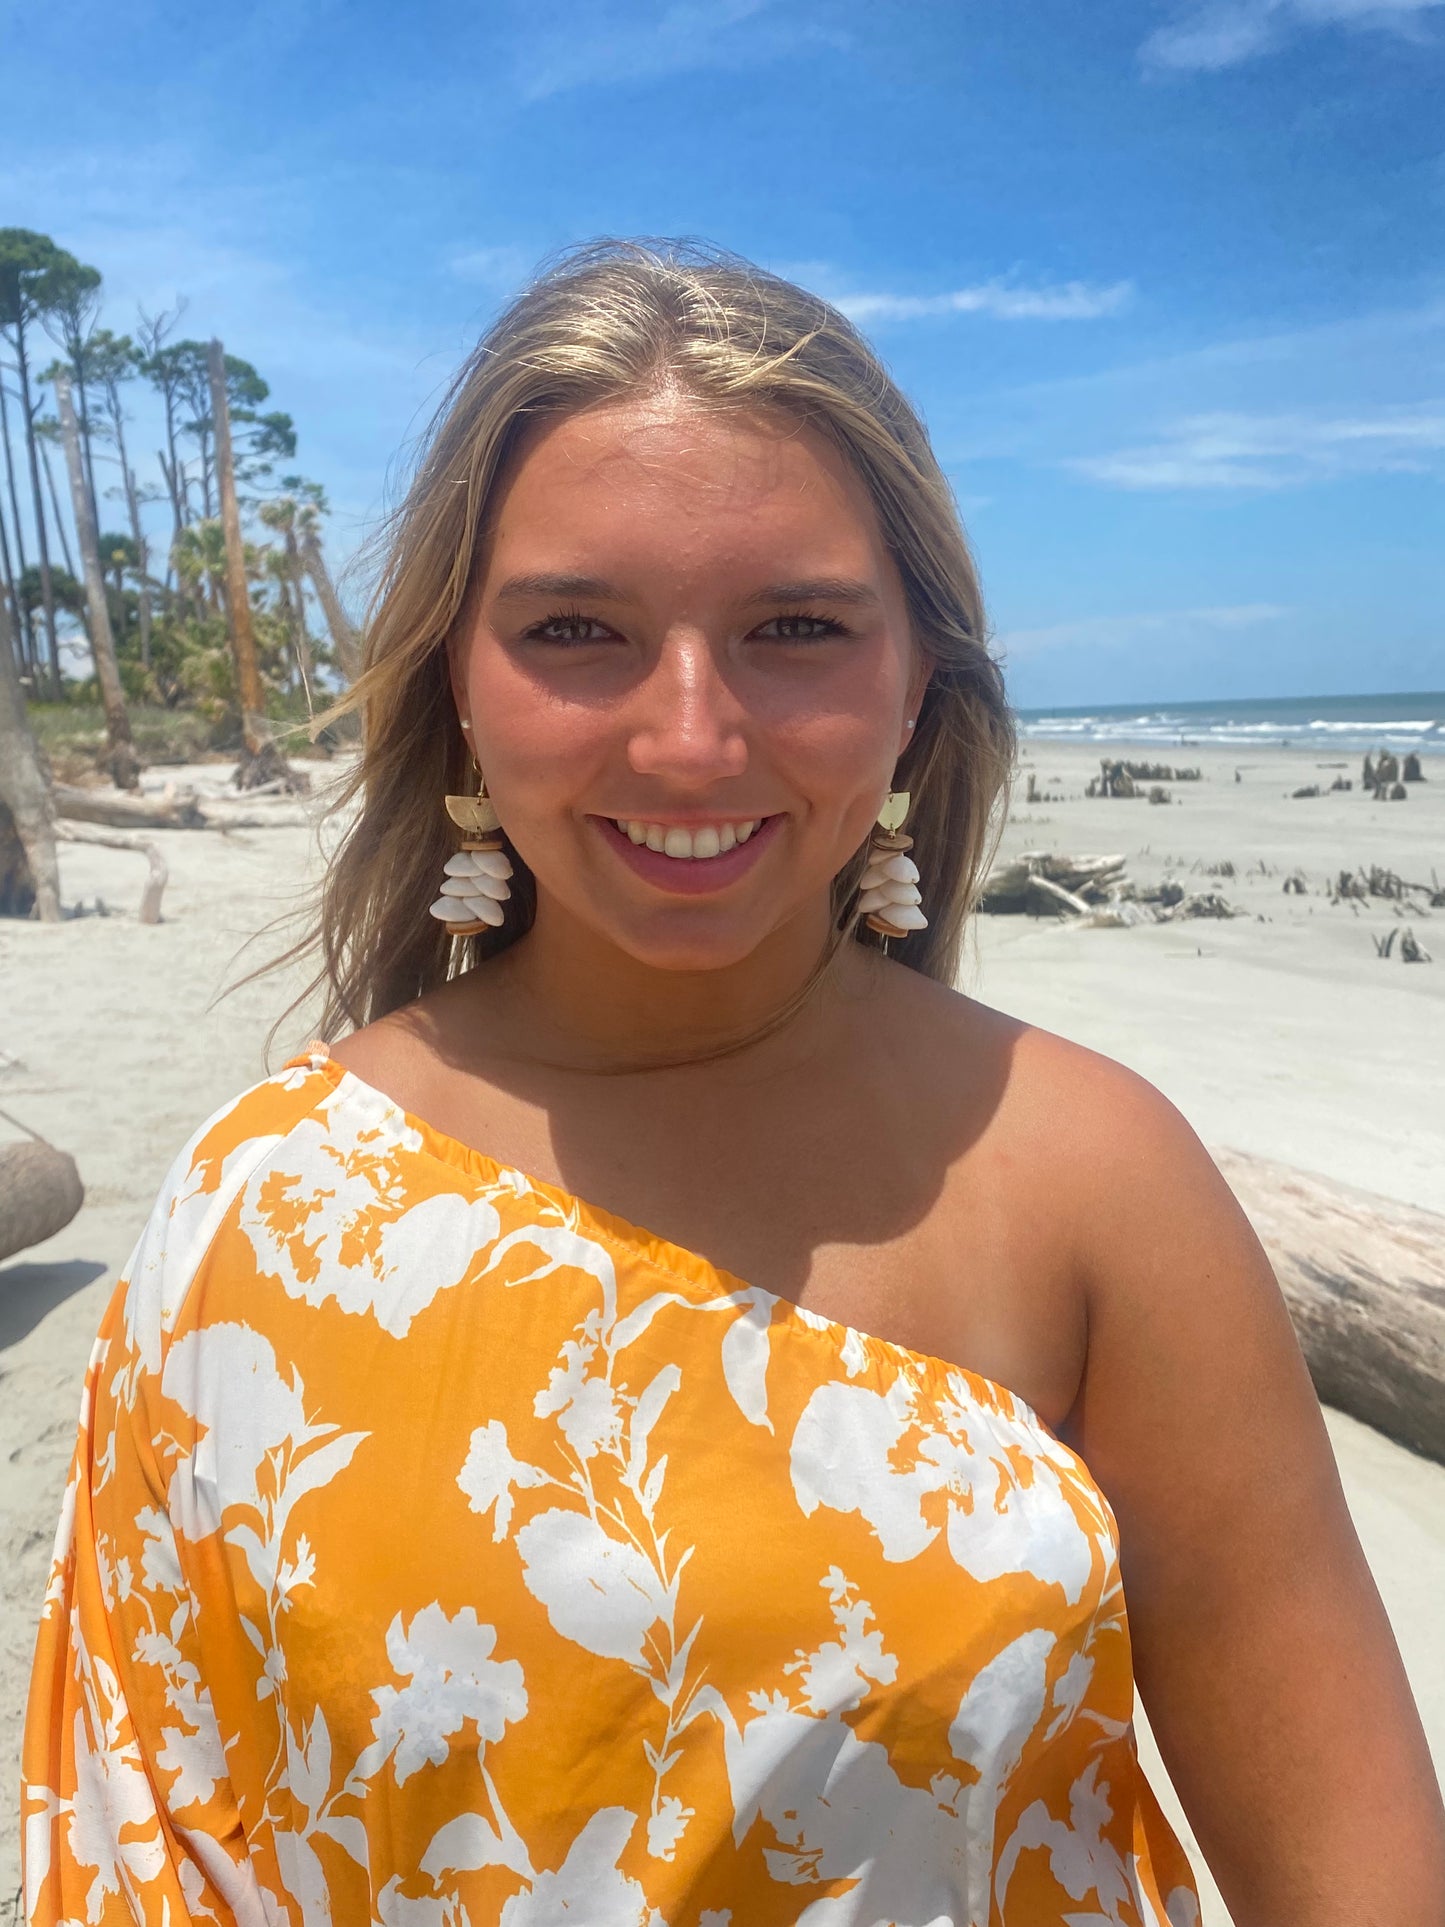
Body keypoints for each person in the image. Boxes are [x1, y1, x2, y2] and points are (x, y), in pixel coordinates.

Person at [22, 241, 1444, 1927]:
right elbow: (144, 1836)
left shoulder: (1089, 1181)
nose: (689, 740)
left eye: (794, 629)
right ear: (459, 688)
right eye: (575, 630)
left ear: (918, 677)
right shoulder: (269, 1206)